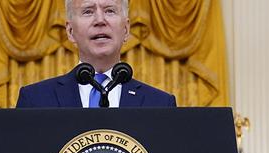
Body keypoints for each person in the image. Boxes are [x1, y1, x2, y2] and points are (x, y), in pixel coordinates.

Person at [16, 0, 176, 108]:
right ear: (70, 31)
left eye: (110, 11)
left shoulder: (160, 104)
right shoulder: (35, 100)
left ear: (126, 29)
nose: (100, 20)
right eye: (88, 12)